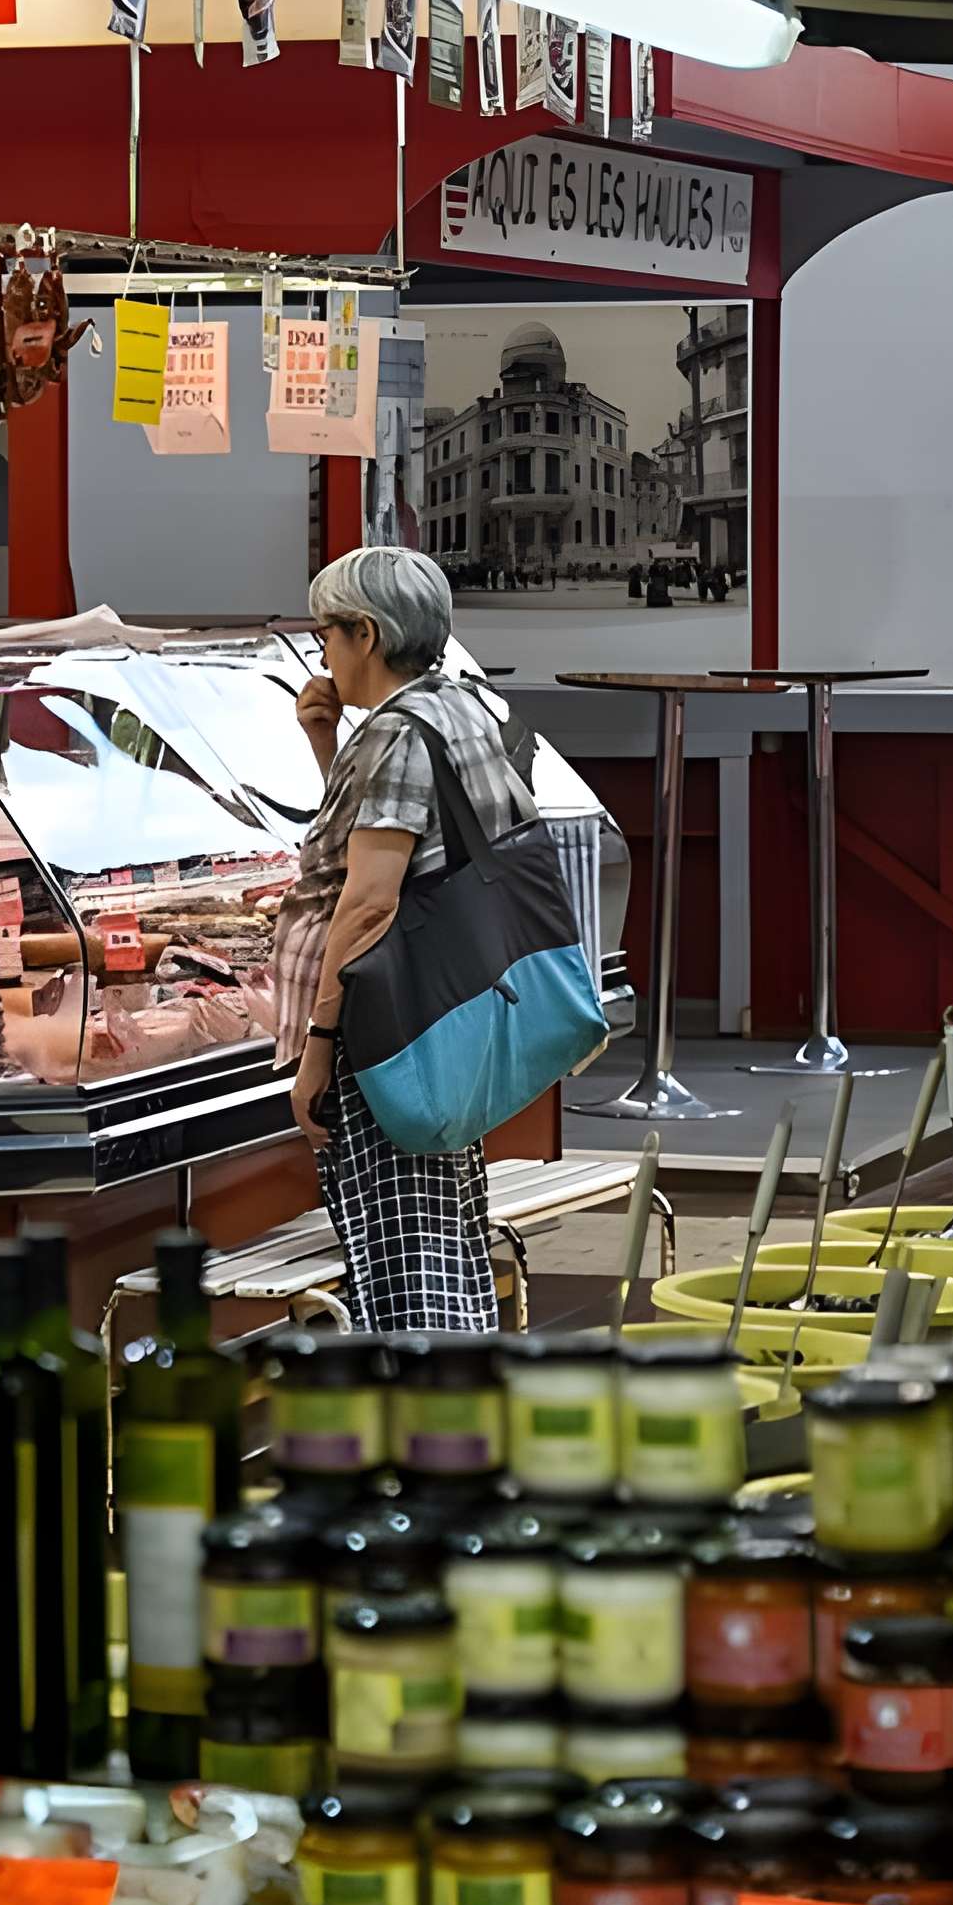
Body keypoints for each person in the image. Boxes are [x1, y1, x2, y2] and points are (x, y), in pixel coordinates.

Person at [273, 545, 540, 1332]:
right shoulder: (456, 706)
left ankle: (419, 1394)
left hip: (385, 1025)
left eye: (326, 634)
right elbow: (397, 847)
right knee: (443, 1233)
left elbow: (366, 903)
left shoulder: (397, 734)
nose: (322, 654)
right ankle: (453, 1386)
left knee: (401, 1256)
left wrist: (319, 1046)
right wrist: (326, 744)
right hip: (443, 1011)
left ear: (366, 633)